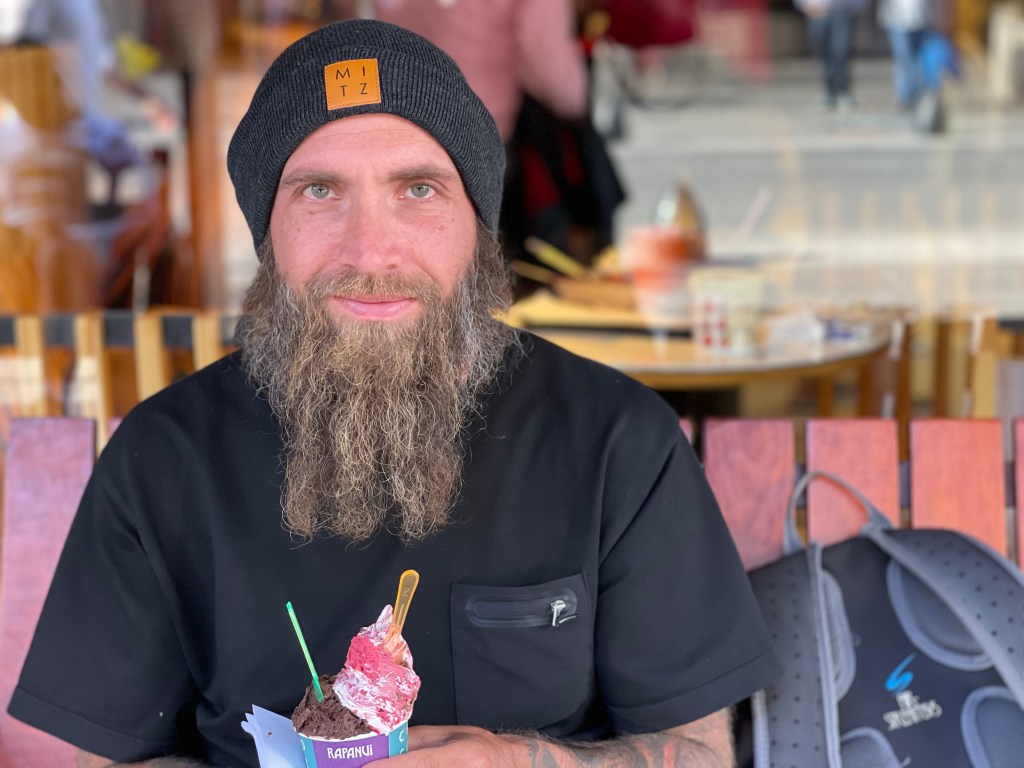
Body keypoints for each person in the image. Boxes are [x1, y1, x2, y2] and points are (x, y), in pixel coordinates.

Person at [9, 20, 780, 767]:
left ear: (477, 224)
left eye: (417, 189)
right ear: (267, 231)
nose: (371, 252)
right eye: (320, 190)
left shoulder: (617, 441)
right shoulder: (162, 459)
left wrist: (511, 762)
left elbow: (700, 754)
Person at [794, 0, 867, 111]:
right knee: (822, 54)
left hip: (842, 12)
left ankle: (843, 90)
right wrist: (806, 5)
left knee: (840, 51)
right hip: (816, 14)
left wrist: (854, 6)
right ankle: (829, 91)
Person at [877, 0, 951, 110]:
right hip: (897, 18)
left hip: (922, 18)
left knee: (918, 58)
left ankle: (918, 93)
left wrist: (941, 17)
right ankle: (906, 94)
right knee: (904, 57)